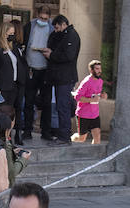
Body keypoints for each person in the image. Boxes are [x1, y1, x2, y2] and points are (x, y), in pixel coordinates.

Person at [0, 20, 28, 141]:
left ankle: (14, 134)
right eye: (10, 33)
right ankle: (1, 136)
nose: (12, 35)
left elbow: (20, 63)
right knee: (3, 110)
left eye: (13, 33)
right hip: (3, 86)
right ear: (4, 33)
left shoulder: (14, 47)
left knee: (15, 110)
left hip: (15, 85)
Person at [46, 15, 81, 144]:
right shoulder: (65, 35)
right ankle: (63, 135)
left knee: (63, 106)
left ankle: (64, 136)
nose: (55, 30)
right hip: (61, 76)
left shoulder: (71, 36)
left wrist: (52, 55)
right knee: (62, 106)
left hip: (65, 77)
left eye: (57, 27)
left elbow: (68, 55)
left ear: (63, 24)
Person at [23, 5, 55, 142]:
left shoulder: (52, 28)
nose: (43, 20)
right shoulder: (30, 26)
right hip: (31, 68)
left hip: (45, 70)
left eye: (45, 18)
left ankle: (46, 131)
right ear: (37, 15)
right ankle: (27, 130)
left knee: (46, 102)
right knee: (29, 101)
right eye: (41, 17)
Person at [72, 59, 106, 143]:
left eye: (100, 69)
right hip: (83, 114)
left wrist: (102, 95)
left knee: (97, 135)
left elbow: (96, 94)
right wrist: (91, 100)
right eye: (97, 69)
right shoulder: (86, 82)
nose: (99, 71)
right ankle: (71, 139)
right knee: (82, 138)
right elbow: (77, 96)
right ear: (91, 70)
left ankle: (96, 155)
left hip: (95, 114)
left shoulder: (100, 81)